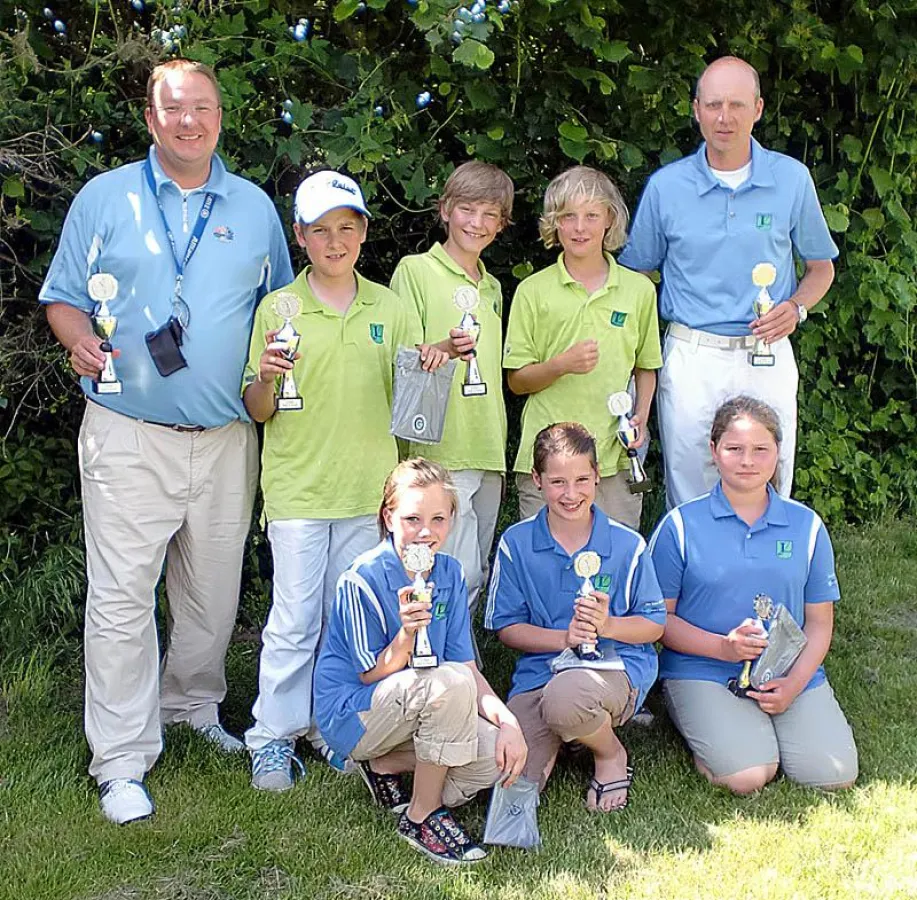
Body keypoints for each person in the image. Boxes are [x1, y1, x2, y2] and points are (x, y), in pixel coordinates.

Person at [38, 59, 294, 824]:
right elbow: (63, 299)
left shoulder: (253, 208)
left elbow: (282, 309)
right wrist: (78, 340)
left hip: (225, 435)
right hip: (127, 432)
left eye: (203, 108)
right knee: (121, 598)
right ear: (150, 119)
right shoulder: (103, 197)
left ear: (220, 117)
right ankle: (121, 759)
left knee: (211, 594)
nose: (190, 121)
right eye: (174, 109)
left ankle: (191, 708)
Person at [242, 171, 450, 791]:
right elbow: (257, 409)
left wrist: (433, 363)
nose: (335, 241)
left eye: (347, 228)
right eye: (320, 230)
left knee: (348, 620)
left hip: (367, 495)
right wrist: (267, 377)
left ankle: (332, 728)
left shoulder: (390, 307)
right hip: (299, 492)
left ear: (363, 233)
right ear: (299, 236)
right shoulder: (277, 308)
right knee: (294, 620)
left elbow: (412, 408)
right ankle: (273, 735)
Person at [619, 56, 839, 509]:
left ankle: (767, 556)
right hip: (692, 354)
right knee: (691, 485)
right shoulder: (666, 187)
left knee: (770, 477)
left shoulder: (791, 179)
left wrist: (795, 308)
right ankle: (696, 557)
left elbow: (821, 267)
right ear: (696, 110)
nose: (725, 117)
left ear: (758, 109)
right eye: (714, 104)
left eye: (737, 104)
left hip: (768, 350)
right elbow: (635, 276)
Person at [314, 459, 527, 864]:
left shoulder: (450, 573)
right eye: (412, 519)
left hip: (424, 701)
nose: (425, 531)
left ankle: (384, 765)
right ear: (388, 517)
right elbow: (369, 673)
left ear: (451, 521)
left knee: (493, 758)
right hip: (356, 713)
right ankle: (422, 815)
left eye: (438, 519)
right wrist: (407, 634)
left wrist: (509, 723)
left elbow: (467, 668)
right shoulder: (360, 579)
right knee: (449, 684)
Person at [648, 396, 858, 794]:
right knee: (746, 776)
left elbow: (819, 622)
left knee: (833, 775)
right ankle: (707, 726)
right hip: (703, 669)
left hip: (786, 669)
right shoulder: (680, 526)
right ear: (714, 451)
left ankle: (761, 722)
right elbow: (658, 621)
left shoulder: (807, 526)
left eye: (760, 449)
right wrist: (723, 648)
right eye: (735, 449)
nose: (747, 461)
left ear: (778, 452)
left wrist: (794, 684)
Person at [484, 423, 665, 811]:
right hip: (541, 672)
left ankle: (609, 753)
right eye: (558, 482)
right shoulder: (516, 543)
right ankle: (569, 737)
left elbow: (654, 625)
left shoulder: (628, 544)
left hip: (613, 667)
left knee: (566, 699)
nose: (571, 494)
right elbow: (507, 628)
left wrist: (608, 625)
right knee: (507, 784)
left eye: (582, 479)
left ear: (597, 476)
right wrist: (564, 639)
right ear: (537, 480)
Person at [504, 166, 662, 530]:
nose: (580, 227)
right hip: (548, 460)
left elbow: (646, 366)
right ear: (554, 223)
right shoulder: (532, 291)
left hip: (614, 457)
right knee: (546, 556)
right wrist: (561, 364)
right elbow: (517, 381)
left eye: (591, 216)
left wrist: (640, 416)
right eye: (568, 216)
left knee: (615, 556)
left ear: (610, 220)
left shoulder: (638, 291)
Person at [390, 161, 514, 615]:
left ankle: (458, 651)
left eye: (489, 214)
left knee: (475, 568)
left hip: (488, 444)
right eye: (467, 209)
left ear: (501, 225)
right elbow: (404, 360)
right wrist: (444, 348)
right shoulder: (415, 271)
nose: (476, 223)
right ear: (445, 210)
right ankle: (434, 650)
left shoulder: (493, 287)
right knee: (444, 568)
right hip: (441, 446)